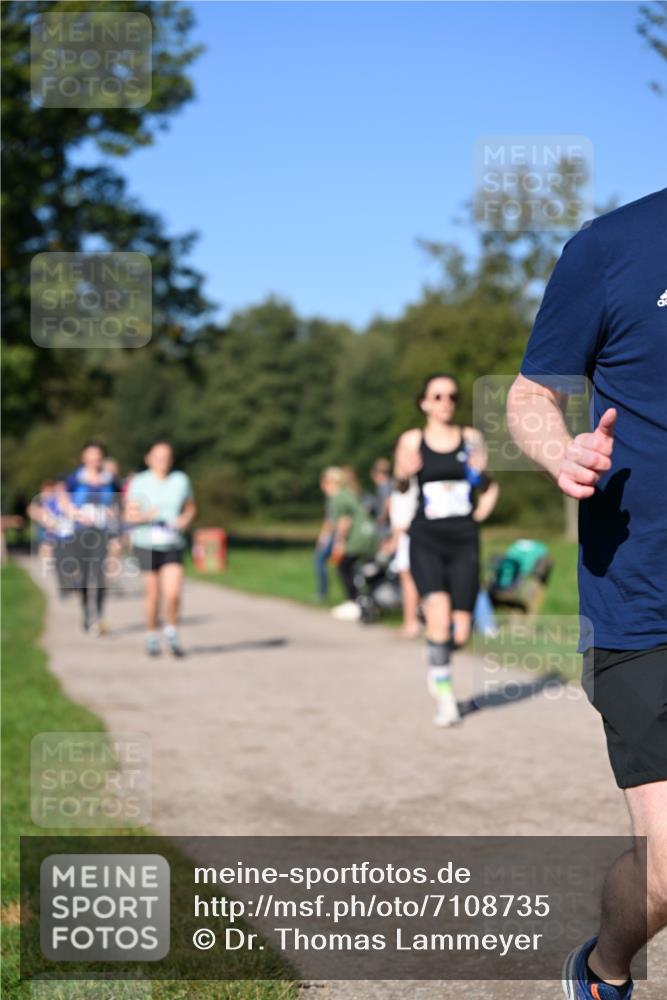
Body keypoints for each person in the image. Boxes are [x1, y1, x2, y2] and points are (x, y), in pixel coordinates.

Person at [507, 188, 667, 1000]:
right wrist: (558, 453)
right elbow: (532, 393)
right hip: (642, 602)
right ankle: (603, 967)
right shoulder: (612, 246)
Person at [394, 374, 498, 726]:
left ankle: (437, 658)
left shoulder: (471, 438)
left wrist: (481, 507)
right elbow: (399, 483)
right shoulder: (412, 440)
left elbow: (487, 483)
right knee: (437, 617)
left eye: (451, 396)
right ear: (423, 402)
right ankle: (445, 699)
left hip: (464, 538)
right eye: (437, 396)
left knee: (461, 632)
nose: (446, 402)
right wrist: (405, 474)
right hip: (426, 538)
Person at [125, 440, 197, 657]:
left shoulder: (181, 480)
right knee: (153, 594)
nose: (162, 461)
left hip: (172, 542)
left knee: (173, 592)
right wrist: (147, 516)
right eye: (158, 457)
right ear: (149, 459)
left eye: (166, 457)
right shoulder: (139, 482)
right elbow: (129, 515)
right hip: (146, 542)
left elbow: (191, 507)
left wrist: (185, 519)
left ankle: (172, 630)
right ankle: (151, 634)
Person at [63, 441, 120, 634]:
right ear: (84, 457)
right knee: (86, 577)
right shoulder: (75, 478)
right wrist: (75, 513)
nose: (94, 459)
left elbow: (119, 500)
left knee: (101, 575)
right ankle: (87, 615)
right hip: (81, 531)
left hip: (102, 530)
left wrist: (114, 512)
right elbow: (63, 499)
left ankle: (100, 615)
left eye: (98, 455)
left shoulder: (110, 479)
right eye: (91, 455)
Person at [320, 466, 378, 621]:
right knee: (358, 569)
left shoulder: (337, 497)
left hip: (357, 537)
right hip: (370, 535)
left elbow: (344, 523)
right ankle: (365, 600)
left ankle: (352, 601)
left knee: (343, 567)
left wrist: (339, 544)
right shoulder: (348, 493)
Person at [385, 477, 421, 638]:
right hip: (408, 537)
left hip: (408, 538)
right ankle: (412, 621)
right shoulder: (409, 485)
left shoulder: (410, 486)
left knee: (409, 582)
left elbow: (403, 520)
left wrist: (394, 542)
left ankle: (411, 622)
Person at [314, 472, 335, 602]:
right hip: (334, 535)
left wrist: (323, 537)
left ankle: (322, 593)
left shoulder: (333, 498)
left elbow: (330, 521)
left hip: (333, 536)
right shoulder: (333, 497)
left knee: (319, 559)